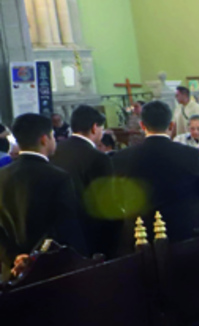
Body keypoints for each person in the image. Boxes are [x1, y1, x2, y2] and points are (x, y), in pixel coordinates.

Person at [112, 101, 199, 243]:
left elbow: (118, 198)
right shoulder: (191, 154)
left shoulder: (122, 158)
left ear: (142, 125)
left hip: (142, 233)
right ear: (171, 125)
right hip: (187, 231)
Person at [0, 113, 85, 280]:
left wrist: (14, 257)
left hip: (11, 271)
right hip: (50, 271)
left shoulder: (1, 176)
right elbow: (65, 227)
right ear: (45, 139)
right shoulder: (58, 177)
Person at [52, 105, 115, 258]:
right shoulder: (98, 158)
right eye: (101, 128)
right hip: (91, 235)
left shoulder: (55, 151)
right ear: (94, 127)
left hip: (59, 234)